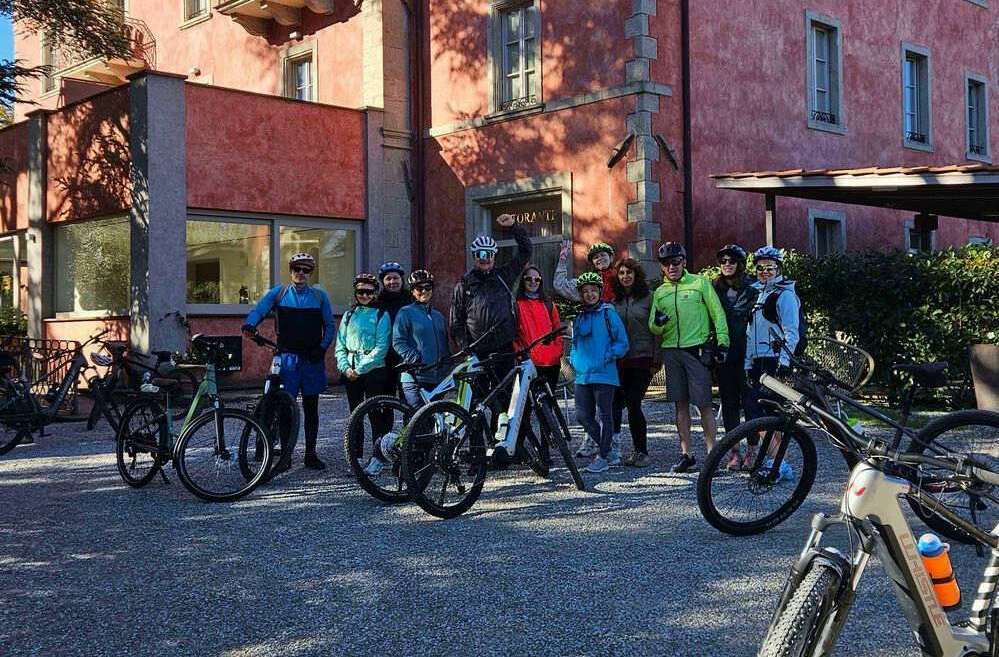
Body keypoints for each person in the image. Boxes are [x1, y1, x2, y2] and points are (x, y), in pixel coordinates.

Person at [242, 252, 335, 471]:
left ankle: (310, 454)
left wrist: (322, 348)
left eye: (306, 270)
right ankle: (285, 456)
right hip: (287, 358)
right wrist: (250, 324)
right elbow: (259, 309)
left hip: (311, 359)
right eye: (297, 269)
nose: (301, 273)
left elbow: (330, 325)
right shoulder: (279, 293)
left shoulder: (320, 296)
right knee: (285, 408)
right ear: (291, 270)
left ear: (311, 273)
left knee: (311, 408)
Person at [648, 241, 729, 473]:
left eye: (676, 262)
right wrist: (658, 323)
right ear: (662, 267)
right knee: (680, 405)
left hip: (696, 349)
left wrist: (723, 342)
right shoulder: (660, 292)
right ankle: (687, 455)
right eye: (666, 263)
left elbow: (717, 313)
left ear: (683, 262)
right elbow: (653, 326)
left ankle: (712, 456)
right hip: (671, 351)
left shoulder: (699, 283)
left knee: (704, 404)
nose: (671, 267)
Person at [450, 213, 531, 385]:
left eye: (489, 254)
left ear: (494, 256)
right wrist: (465, 347)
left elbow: (526, 251)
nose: (484, 257)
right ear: (474, 256)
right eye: (480, 253)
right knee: (480, 396)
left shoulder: (504, 275)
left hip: (505, 348)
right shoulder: (464, 284)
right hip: (478, 351)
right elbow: (456, 321)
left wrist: (514, 227)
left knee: (506, 393)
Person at [570, 272, 629, 474]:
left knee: (605, 415)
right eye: (585, 291)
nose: (590, 294)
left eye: (593, 290)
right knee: (582, 416)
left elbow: (622, 342)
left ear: (599, 292)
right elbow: (575, 343)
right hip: (583, 375)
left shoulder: (608, 313)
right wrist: (574, 360)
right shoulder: (579, 316)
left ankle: (602, 457)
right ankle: (608, 450)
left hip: (604, 373)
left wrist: (609, 355)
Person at [336, 273, 393, 469]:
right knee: (355, 415)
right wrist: (345, 367)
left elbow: (381, 348)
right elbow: (340, 345)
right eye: (361, 292)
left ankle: (378, 457)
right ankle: (356, 456)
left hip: (373, 370)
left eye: (369, 292)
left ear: (375, 293)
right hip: (350, 370)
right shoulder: (348, 315)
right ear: (355, 293)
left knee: (375, 414)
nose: (365, 295)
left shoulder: (381, 315)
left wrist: (359, 369)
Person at [711, 244, 759, 469]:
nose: (727, 265)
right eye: (723, 261)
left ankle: (752, 450)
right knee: (729, 403)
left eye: (732, 261)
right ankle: (734, 451)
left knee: (750, 403)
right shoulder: (714, 287)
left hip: (748, 352)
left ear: (740, 264)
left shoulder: (752, 287)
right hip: (724, 353)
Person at [744, 246, 801, 424]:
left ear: (779, 269)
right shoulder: (755, 294)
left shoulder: (785, 295)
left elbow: (791, 332)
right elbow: (749, 332)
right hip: (756, 361)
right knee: (754, 411)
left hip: (774, 360)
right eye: (760, 268)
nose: (765, 271)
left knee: (770, 412)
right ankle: (764, 444)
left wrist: (784, 362)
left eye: (770, 267)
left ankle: (779, 444)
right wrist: (747, 363)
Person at [610, 258, 657, 467]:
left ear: (636, 275)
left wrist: (657, 358)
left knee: (633, 403)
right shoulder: (615, 302)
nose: (625, 276)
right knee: (615, 403)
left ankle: (641, 451)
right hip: (620, 360)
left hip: (642, 358)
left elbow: (658, 330)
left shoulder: (649, 298)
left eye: (629, 272)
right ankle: (613, 449)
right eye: (621, 273)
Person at [392, 270, 450, 409]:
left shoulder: (438, 316)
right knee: (416, 417)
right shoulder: (405, 312)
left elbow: (444, 344)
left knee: (434, 418)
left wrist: (447, 366)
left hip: (437, 377)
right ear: (412, 291)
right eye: (419, 288)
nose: (424, 291)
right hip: (414, 377)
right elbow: (398, 341)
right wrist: (415, 359)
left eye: (428, 287)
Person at [514, 265, 563, 393]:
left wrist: (557, 351)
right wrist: (520, 354)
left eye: (537, 279)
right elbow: (513, 334)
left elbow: (557, 330)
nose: (533, 282)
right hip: (528, 362)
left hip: (551, 362)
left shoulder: (548, 304)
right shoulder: (516, 305)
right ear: (523, 281)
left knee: (548, 402)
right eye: (528, 279)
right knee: (527, 402)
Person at [376, 261, 414, 397]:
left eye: (396, 278)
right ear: (383, 282)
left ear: (402, 280)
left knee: (408, 394)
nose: (392, 282)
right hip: (385, 355)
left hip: (406, 354)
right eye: (388, 279)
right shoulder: (377, 303)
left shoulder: (411, 300)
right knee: (387, 395)